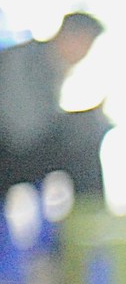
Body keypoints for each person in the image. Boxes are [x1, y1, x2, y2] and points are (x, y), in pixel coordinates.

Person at [0, 11, 107, 197]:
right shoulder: (23, 59)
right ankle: (90, 213)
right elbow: (21, 129)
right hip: (9, 152)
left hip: (19, 147)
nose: (83, 53)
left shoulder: (52, 66)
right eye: (85, 44)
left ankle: (89, 211)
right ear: (69, 35)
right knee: (86, 129)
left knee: (87, 125)